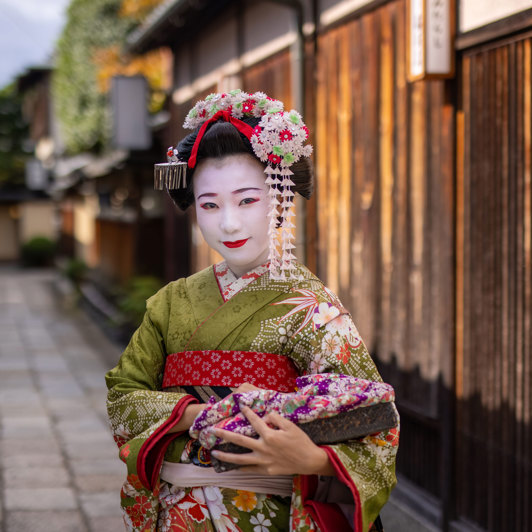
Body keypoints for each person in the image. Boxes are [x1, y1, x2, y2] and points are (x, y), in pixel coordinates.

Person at [106, 90, 398, 532]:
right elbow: (124, 396)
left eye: (247, 200)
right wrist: (197, 415)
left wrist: (313, 459)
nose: (228, 223)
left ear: (280, 198)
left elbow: (376, 424)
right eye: (209, 205)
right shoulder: (170, 303)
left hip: (269, 514)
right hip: (177, 514)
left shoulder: (312, 309)